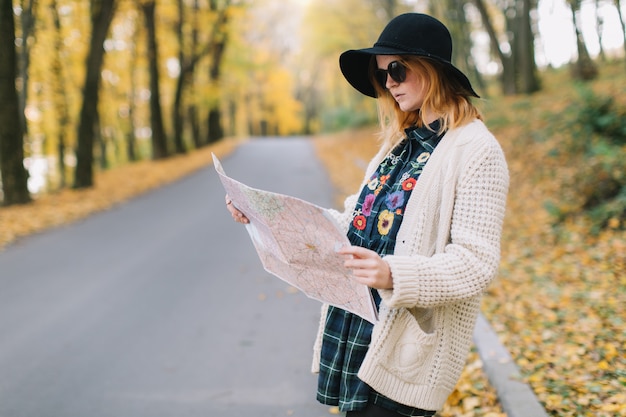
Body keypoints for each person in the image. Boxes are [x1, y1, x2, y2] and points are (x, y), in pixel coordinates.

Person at [225, 12, 509, 417]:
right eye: (382, 75)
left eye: (397, 69)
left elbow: (476, 263)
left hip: (405, 349)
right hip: (357, 332)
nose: (389, 82)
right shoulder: (397, 147)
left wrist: (394, 274)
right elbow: (350, 229)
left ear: (434, 70)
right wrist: (263, 216)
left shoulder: (477, 151)